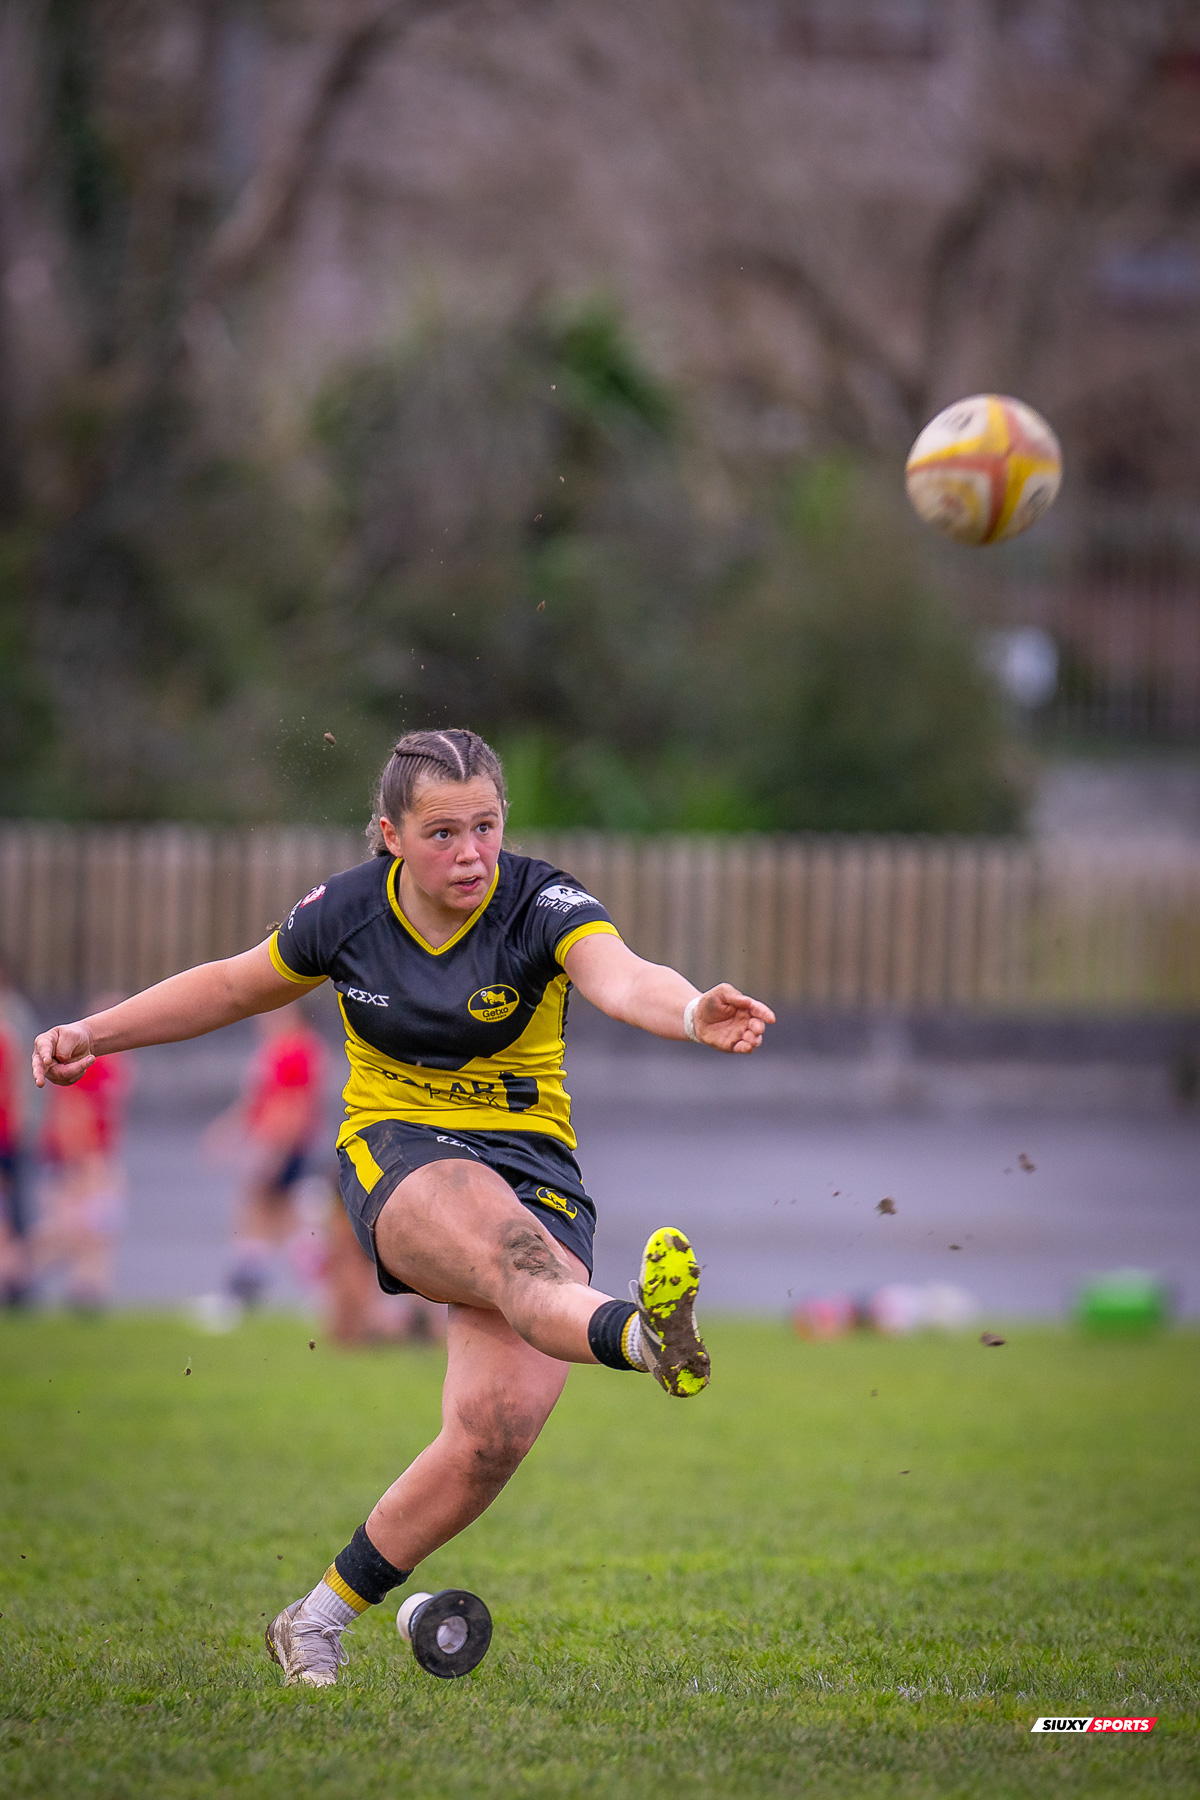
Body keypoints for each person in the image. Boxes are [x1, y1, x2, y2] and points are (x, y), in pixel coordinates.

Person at [32, 728, 774, 1687]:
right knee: (518, 1262)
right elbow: (229, 986)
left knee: (491, 1432)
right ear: (390, 835)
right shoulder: (344, 914)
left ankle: (314, 1618)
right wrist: (94, 1033)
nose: (470, 855)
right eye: (442, 833)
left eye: (486, 828)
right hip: (401, 1153)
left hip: (536, 1164)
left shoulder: (543, 901)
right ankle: (646, 1338)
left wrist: (687, 1012)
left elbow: (622, 973)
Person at [204, 1007, 328, 1310]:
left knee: (257, 1214)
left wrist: (275, 1150)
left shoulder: (295, 1048)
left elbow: (292, 1104)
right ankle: (320, 1290)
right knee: (281, 1221)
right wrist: (227, 1131)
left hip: (281, 1145)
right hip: (274, 1142)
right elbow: (258, 1099)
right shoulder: (276, 1048)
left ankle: (246, 1290)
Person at [34, 1018, 130, 1312]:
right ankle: (18, 1275)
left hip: (99, 1154)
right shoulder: (91, 1062)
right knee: (74, 1228)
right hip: (83, 1157)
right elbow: (71, 1109)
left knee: (98, 1225)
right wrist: (80, 1159)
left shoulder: (118, 1066)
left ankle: (88, 1288)